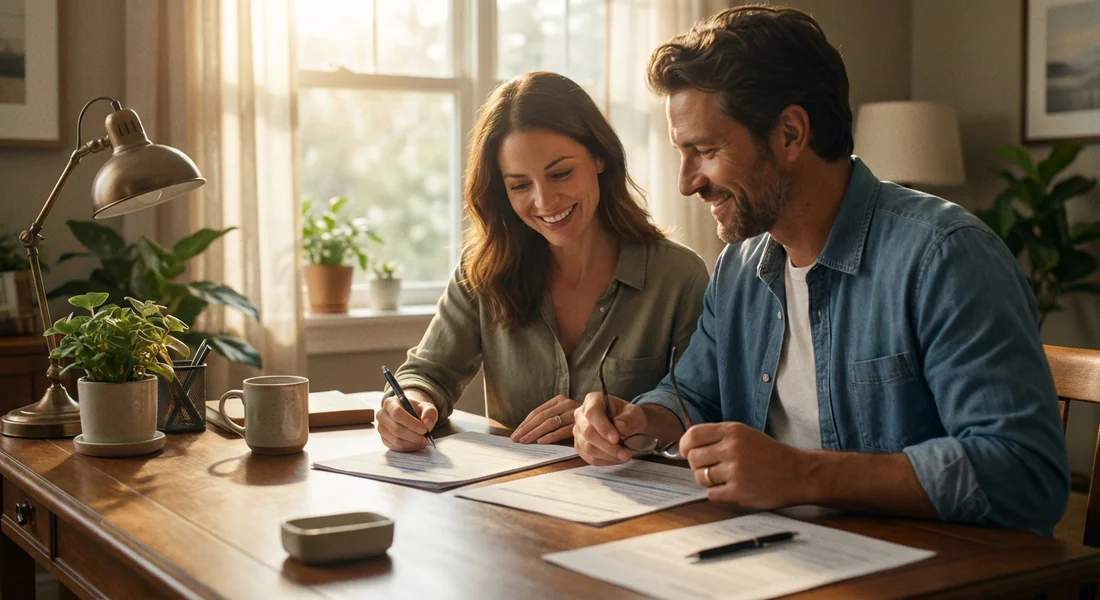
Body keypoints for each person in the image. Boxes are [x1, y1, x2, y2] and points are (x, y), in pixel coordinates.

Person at [572, 5, 1069, 534]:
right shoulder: (738, 269)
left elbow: (1025, 474)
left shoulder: (946, 257)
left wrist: (801, 473)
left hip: (921, 572)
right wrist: (640, 421)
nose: (687, 183)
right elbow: (695, 393)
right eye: (682, 154)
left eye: (706, 150)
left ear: (790, 133)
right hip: (773, 556)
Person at [378, 71, 709, 452]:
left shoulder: (679, 277)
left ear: (599, 157)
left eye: (561, 173)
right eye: (520, 185)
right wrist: (409, 405)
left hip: (643, 502)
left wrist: (617, 425)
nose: (545, 201)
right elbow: (428, 373)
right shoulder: (483, 270)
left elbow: (698, 409)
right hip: (515, 500)